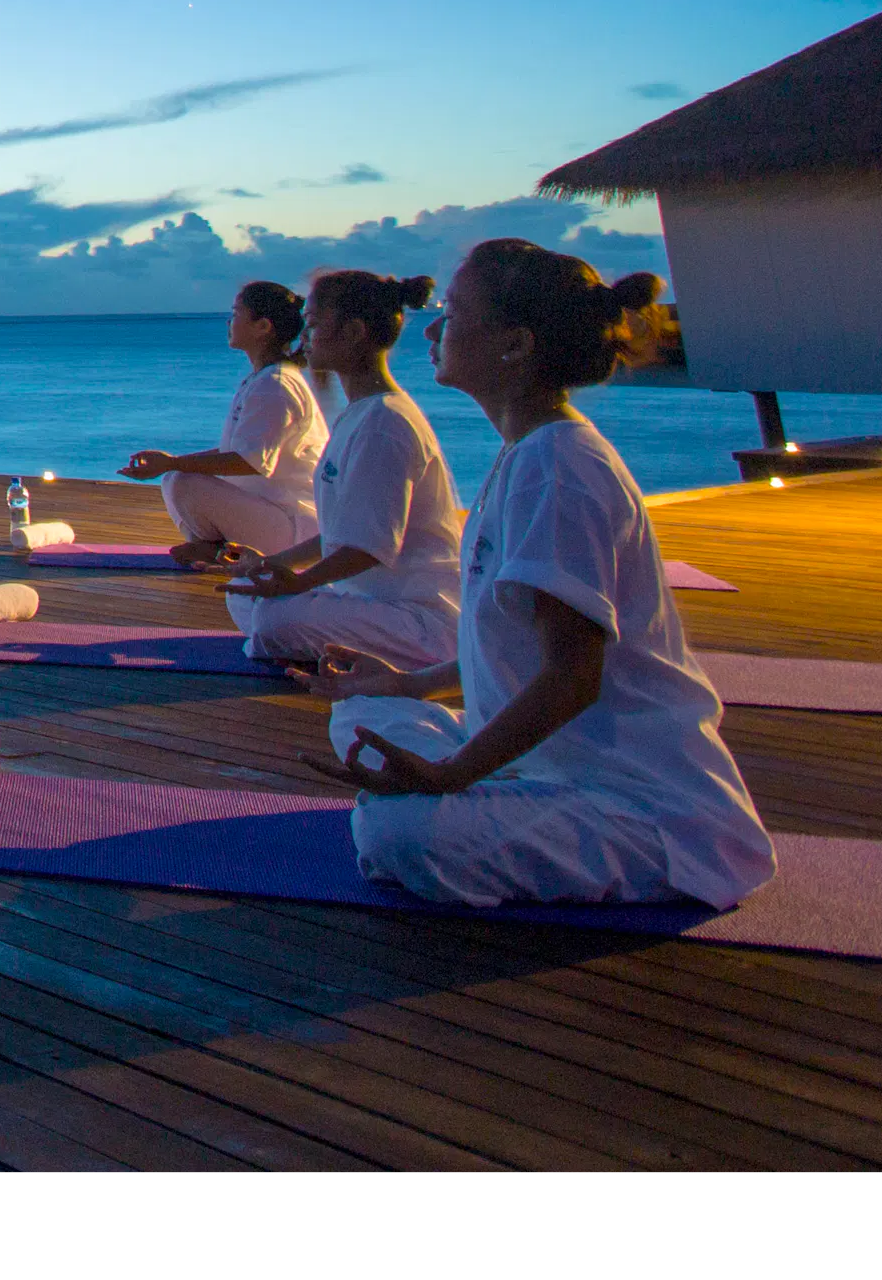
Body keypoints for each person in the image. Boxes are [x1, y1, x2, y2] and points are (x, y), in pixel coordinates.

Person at [310, 240, 775, 910]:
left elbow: (572, 675)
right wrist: (407, 682)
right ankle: (480, 781)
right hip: (546, 764)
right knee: (365, 710)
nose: (436, 329)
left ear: (514, 344)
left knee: (394, 832)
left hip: (642, 808)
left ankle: (477, 794)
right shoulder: (529, 452)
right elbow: (516, 649)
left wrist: (452, 776)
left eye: (455, 312)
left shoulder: (558, 469)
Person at [223, 270, 462, 670]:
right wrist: (278, 562)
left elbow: (367, 549)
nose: (304, 339)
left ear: (353, 332)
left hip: (419, 620)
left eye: (314, 326)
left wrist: (299, 581)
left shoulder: (385, 424)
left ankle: (384, 653)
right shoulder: (361, 413)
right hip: (370, 601)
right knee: (245, 589)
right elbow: (342, 534)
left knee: (273, 617)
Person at [120, 279, 326, 569]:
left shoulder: (275, 385)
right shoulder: (266, 380)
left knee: (183, 481)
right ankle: (209, 549)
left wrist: (174, 463)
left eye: (236, 313)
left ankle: (211, 550)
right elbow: (238, 450)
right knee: (173, 477)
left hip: (294, 531)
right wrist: (168, 463)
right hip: (275, 517)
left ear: (263, 327)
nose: (229, 322)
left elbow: (252, 462)